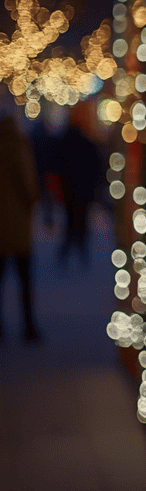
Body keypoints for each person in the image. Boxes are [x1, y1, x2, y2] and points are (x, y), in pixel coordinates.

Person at [0, 110, 41, 341]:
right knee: (24, 279)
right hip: (17, 224)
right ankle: (28, 326)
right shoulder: (17, 146)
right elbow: (28, 185)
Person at [54, 108, 103, 265]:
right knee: (81, 224)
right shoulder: (87, 142)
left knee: (70, 223)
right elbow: (97, 166)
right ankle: (81, 255)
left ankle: (66, 255)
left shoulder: (64, 142)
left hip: (70, 190)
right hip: (83, 191)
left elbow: (58, 166)